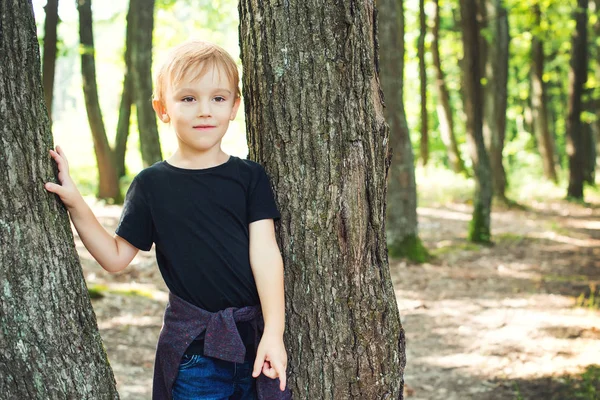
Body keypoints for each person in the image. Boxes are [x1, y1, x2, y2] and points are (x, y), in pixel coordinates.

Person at [45, 40, 290, 400]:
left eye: (218, 98)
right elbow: (115, 258)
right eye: (188, 99)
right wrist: (76, 203)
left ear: (235, 106)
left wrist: (274, 332)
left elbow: (266, 254)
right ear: (163, 109)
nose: (204, 110)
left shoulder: (249, 177)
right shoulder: (152, 185)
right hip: (195, 353)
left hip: (253, 343)